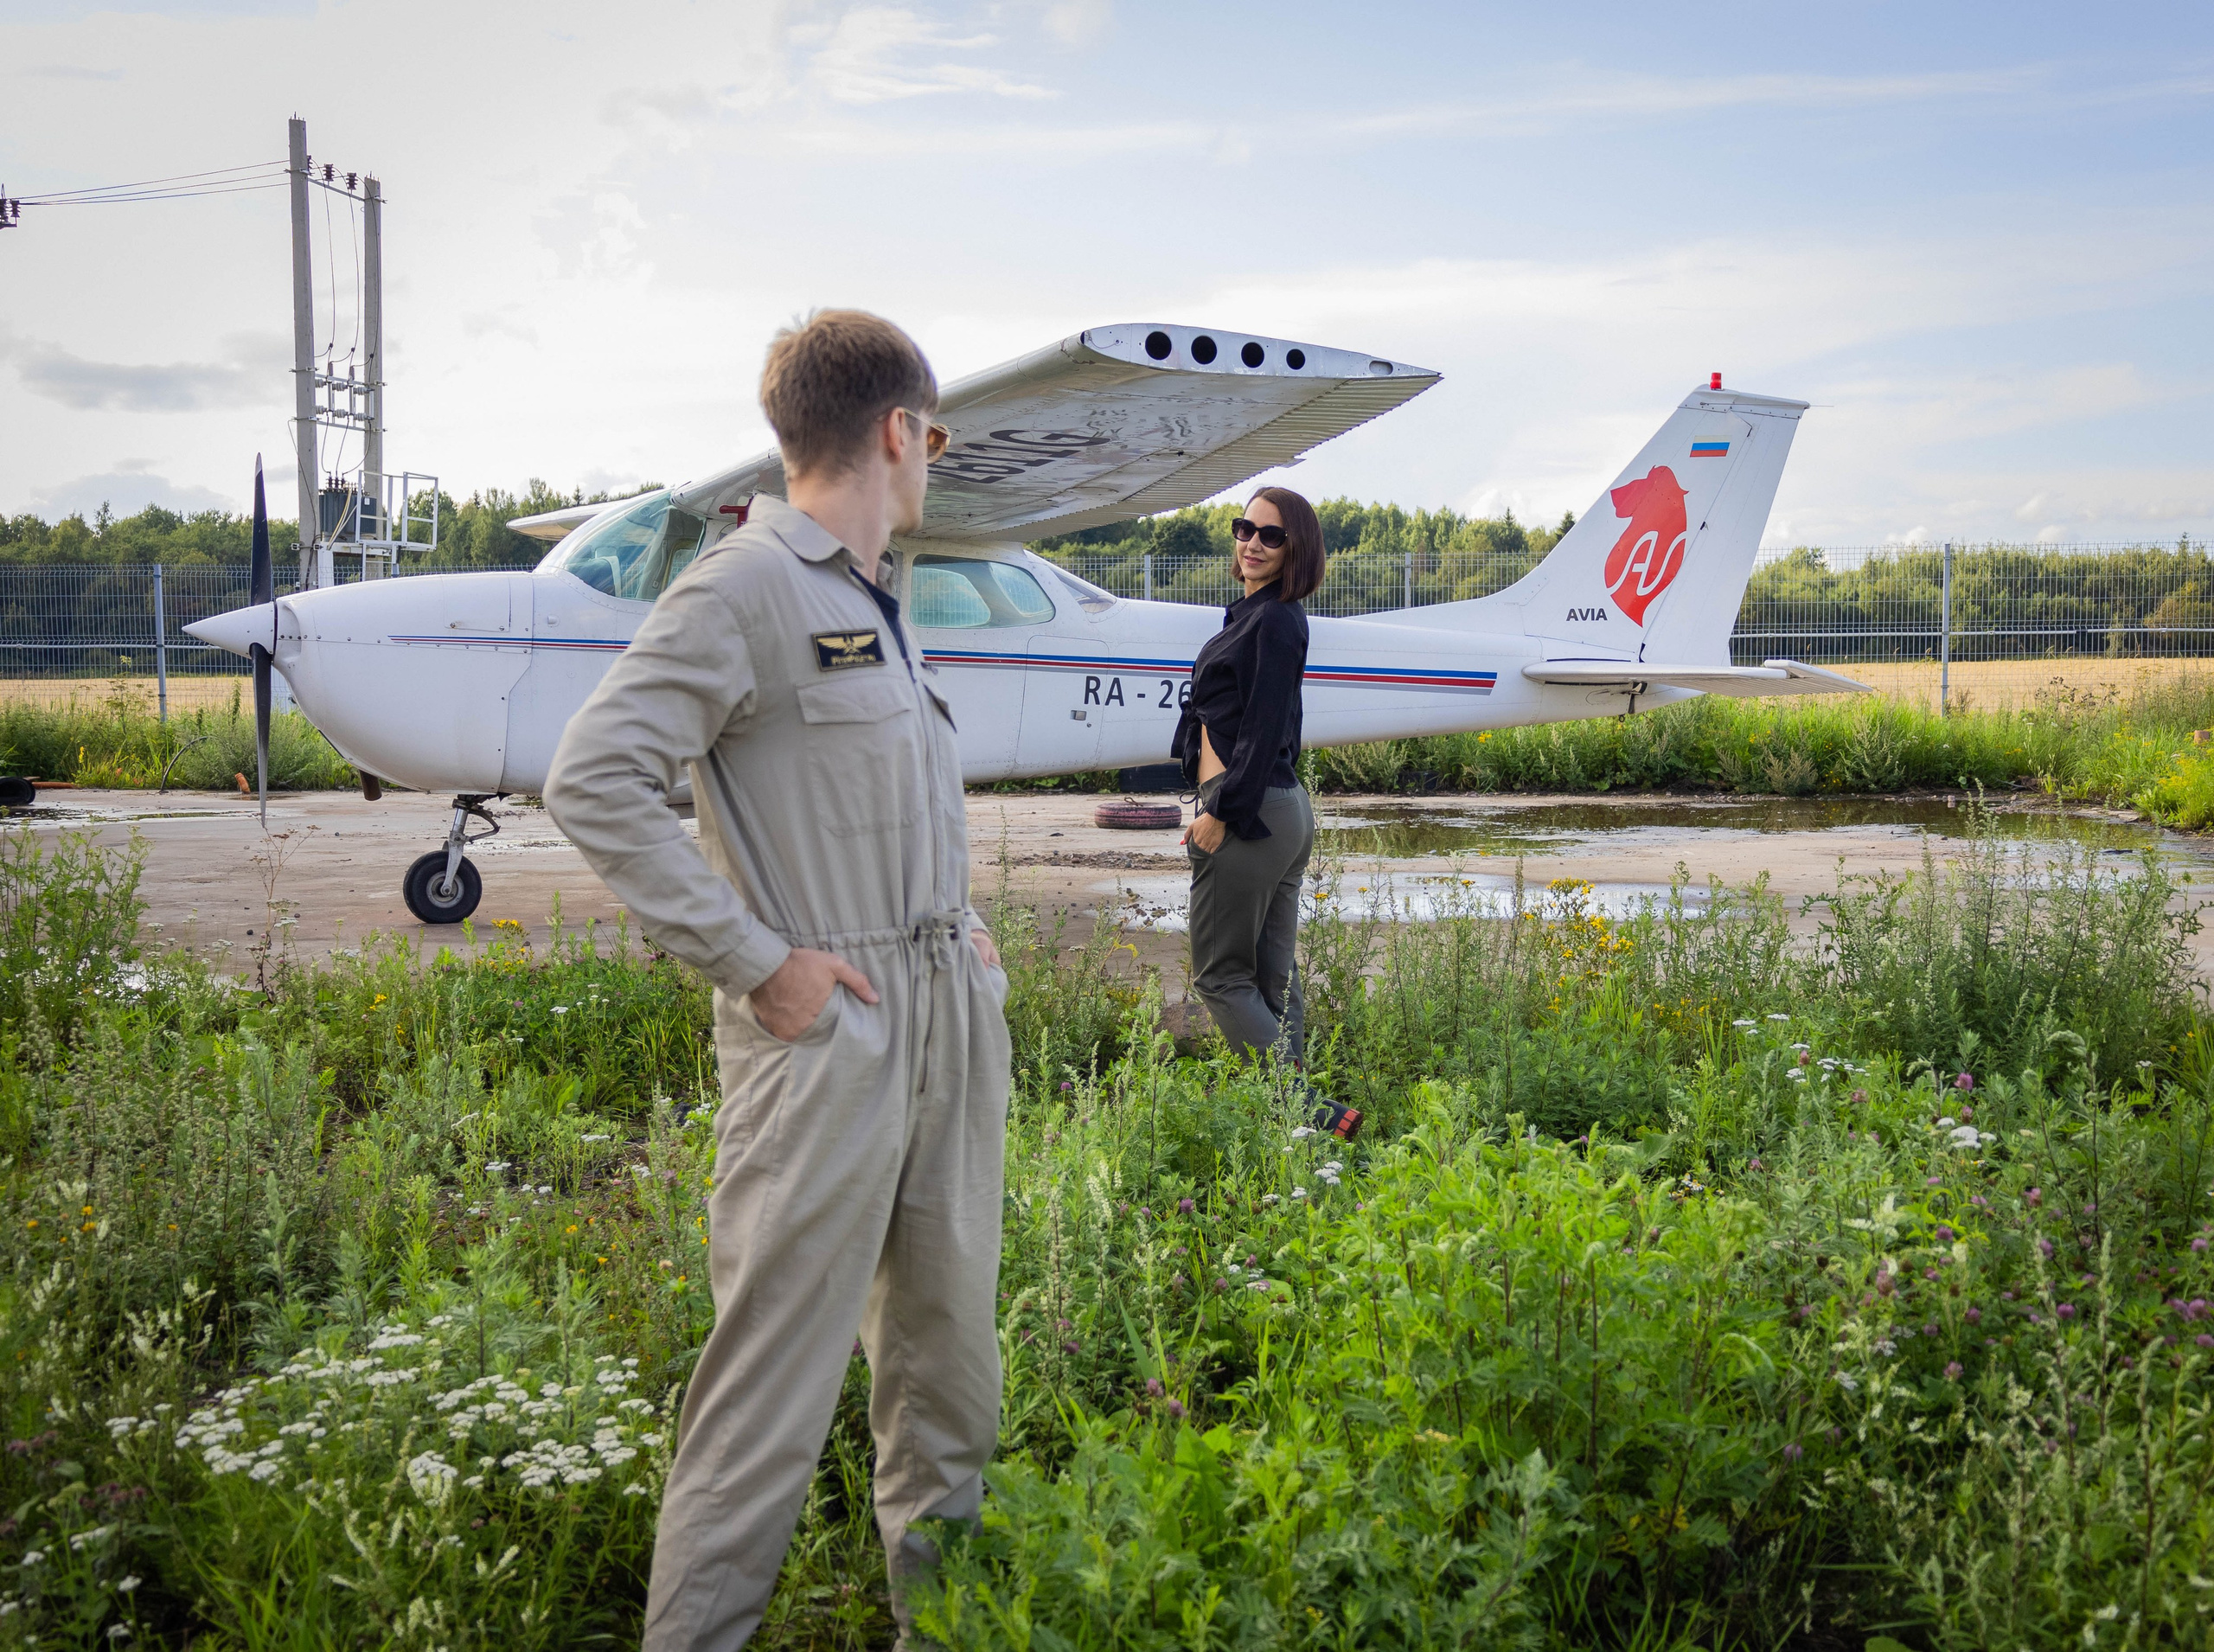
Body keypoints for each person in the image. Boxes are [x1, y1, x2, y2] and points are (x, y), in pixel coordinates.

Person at [543, 310, 1011, 1651]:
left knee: (947, 1384)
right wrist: (758, 964)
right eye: (933, 433)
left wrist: (954, 924)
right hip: (829, 1046)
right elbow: (597, 776)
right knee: (763, 1410)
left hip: (936, 1019)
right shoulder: (747, 585)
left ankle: (946, 1630)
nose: (934, 455)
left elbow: (865, 798)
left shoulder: (878, 593)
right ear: (893, 431)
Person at [1169, 487, 1360, 1139]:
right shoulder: (1254, 615)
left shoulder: (1275, 620)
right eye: (1244, 527)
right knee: (1273, 978)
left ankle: (1313, 1114)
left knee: (1221, 977)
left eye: (1270, 535)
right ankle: (1303, 1125)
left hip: (1251, 814)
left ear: (1295, 549)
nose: (1251, 542)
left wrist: (1221, 810)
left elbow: (1265, 724)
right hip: (1281, 809)